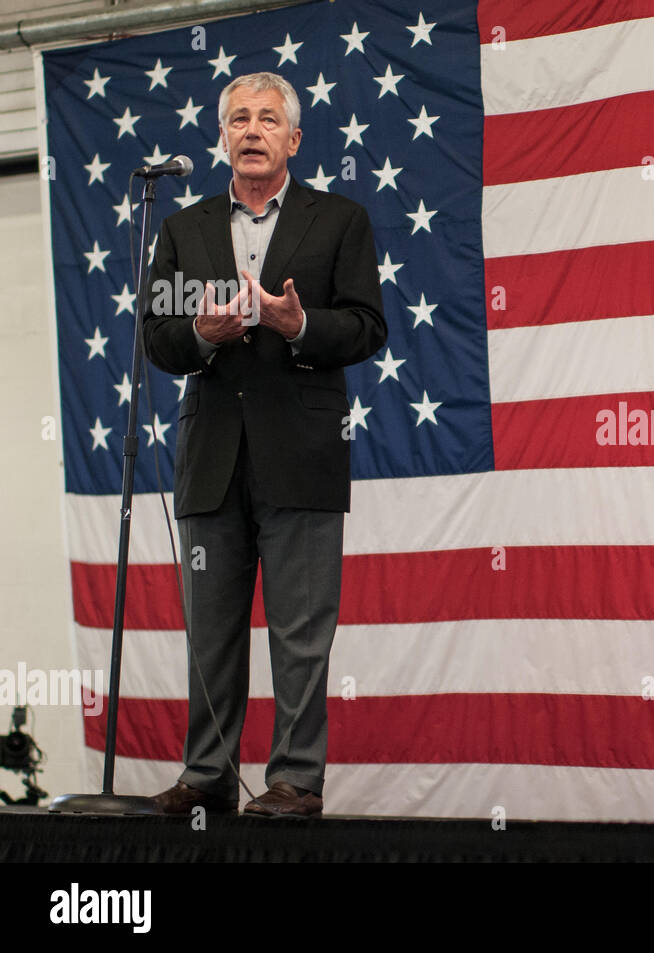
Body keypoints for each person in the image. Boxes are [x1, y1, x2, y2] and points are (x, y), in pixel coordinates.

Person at [141, 72, 386, 817]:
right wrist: (201, 334)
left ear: (293, 139)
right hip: (211, 458)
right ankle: (207, 774)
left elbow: (368, 327)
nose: (252, 130)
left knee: (301, 634)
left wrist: (297, 325)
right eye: (239, 118)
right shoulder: (182, 228)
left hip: (302, 454)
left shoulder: (340, 219)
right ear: (222, 136)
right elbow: (156, 334)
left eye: (268, 119)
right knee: (210, 630)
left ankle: (295, 781)